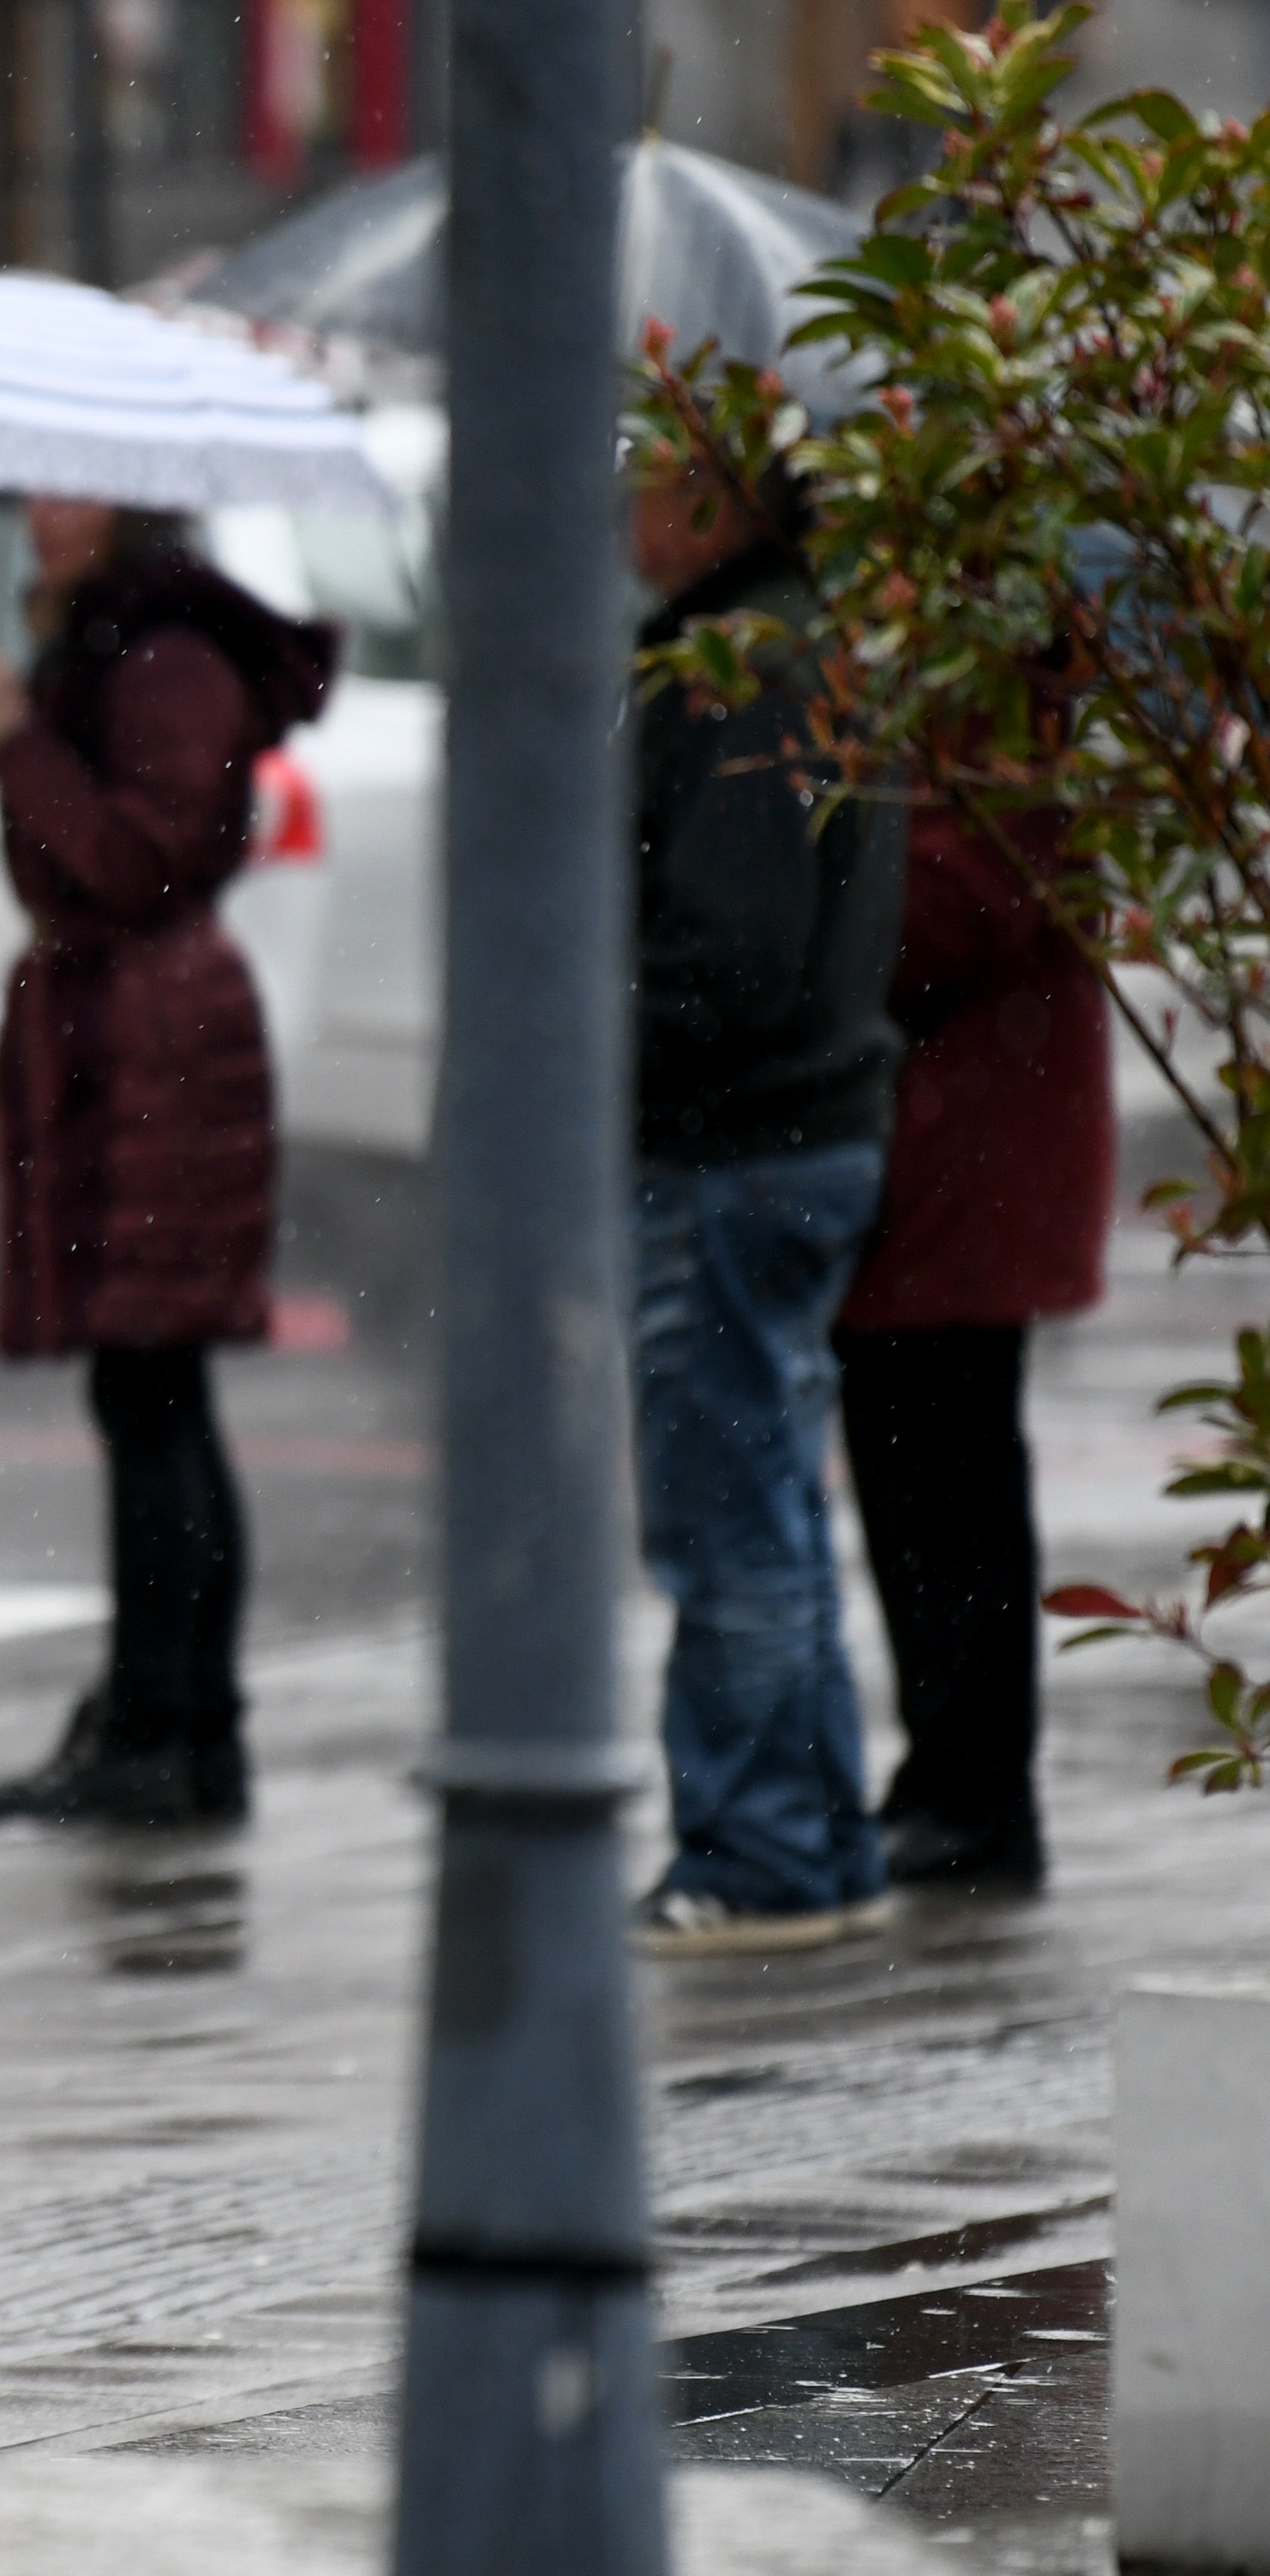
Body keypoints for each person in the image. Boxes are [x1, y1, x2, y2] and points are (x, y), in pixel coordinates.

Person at [0, 499, 338, 1826]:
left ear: (122, 504)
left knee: (157, 1395)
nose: (39, 520)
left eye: (66, 495)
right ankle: (158, 1722)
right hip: (125, 1036)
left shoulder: (167, 655)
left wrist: (18, 742)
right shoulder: (116, 641)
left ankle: (176, 1736)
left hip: (158, 1045)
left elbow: (137, 857)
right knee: (145, 1398)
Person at [623, 446, 906, 1957]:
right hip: (797, 1127)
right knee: (770, 1503)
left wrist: (594, 1032)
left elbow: (728, 952)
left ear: (724, 495)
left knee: (727, 1512)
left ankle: (761, 1845)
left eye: (647, 471)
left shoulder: (740, 669)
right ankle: (812, 1833)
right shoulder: (809, 646)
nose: (623, 507)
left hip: (730, 1141)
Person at [833, 782, 1113, 1892]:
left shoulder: (996, 696)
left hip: (967, 1152)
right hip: (954, 1142)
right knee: (928, 1478)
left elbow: (957, 900)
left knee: (944, 1483)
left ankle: (971, 1801)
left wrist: (821, 931)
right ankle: (954, 1789)